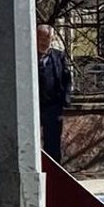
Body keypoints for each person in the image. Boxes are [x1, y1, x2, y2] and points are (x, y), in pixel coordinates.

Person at [37, 24, 73, 164]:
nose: (44, 42)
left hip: (53, 105)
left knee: (53, 142)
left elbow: (66, 78)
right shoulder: (26, 56)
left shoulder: (58, 56)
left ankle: (54, 168)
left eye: (48, 38)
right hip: (33, 105)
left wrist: (66, 99)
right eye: (41, 37)